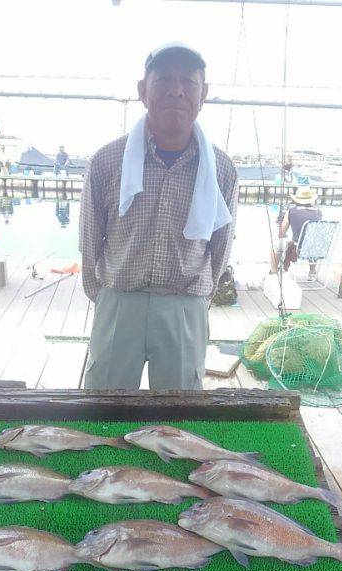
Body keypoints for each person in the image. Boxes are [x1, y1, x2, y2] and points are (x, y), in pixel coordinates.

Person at [80, 42, 238, 391]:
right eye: (164, 78)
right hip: (120, 300)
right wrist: (105, 296)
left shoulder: (221, 170)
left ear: (204, 93)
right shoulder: (107, 161)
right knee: (103, 405)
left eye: (188, 81)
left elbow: (221, 246)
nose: (176, 90)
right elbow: (89, 240)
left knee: (179, 417)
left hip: (184, 307)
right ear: (142, 91)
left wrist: (198, 298)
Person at [271, 186, 322, 279]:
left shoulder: (291, 211)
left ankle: (273, 271)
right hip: (316, 249)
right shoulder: (319, 212)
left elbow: (281, 233)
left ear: (297, 199)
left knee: (276, 246)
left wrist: (283, 234)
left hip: (298, 249)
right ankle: (312, 272)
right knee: (312, 241)